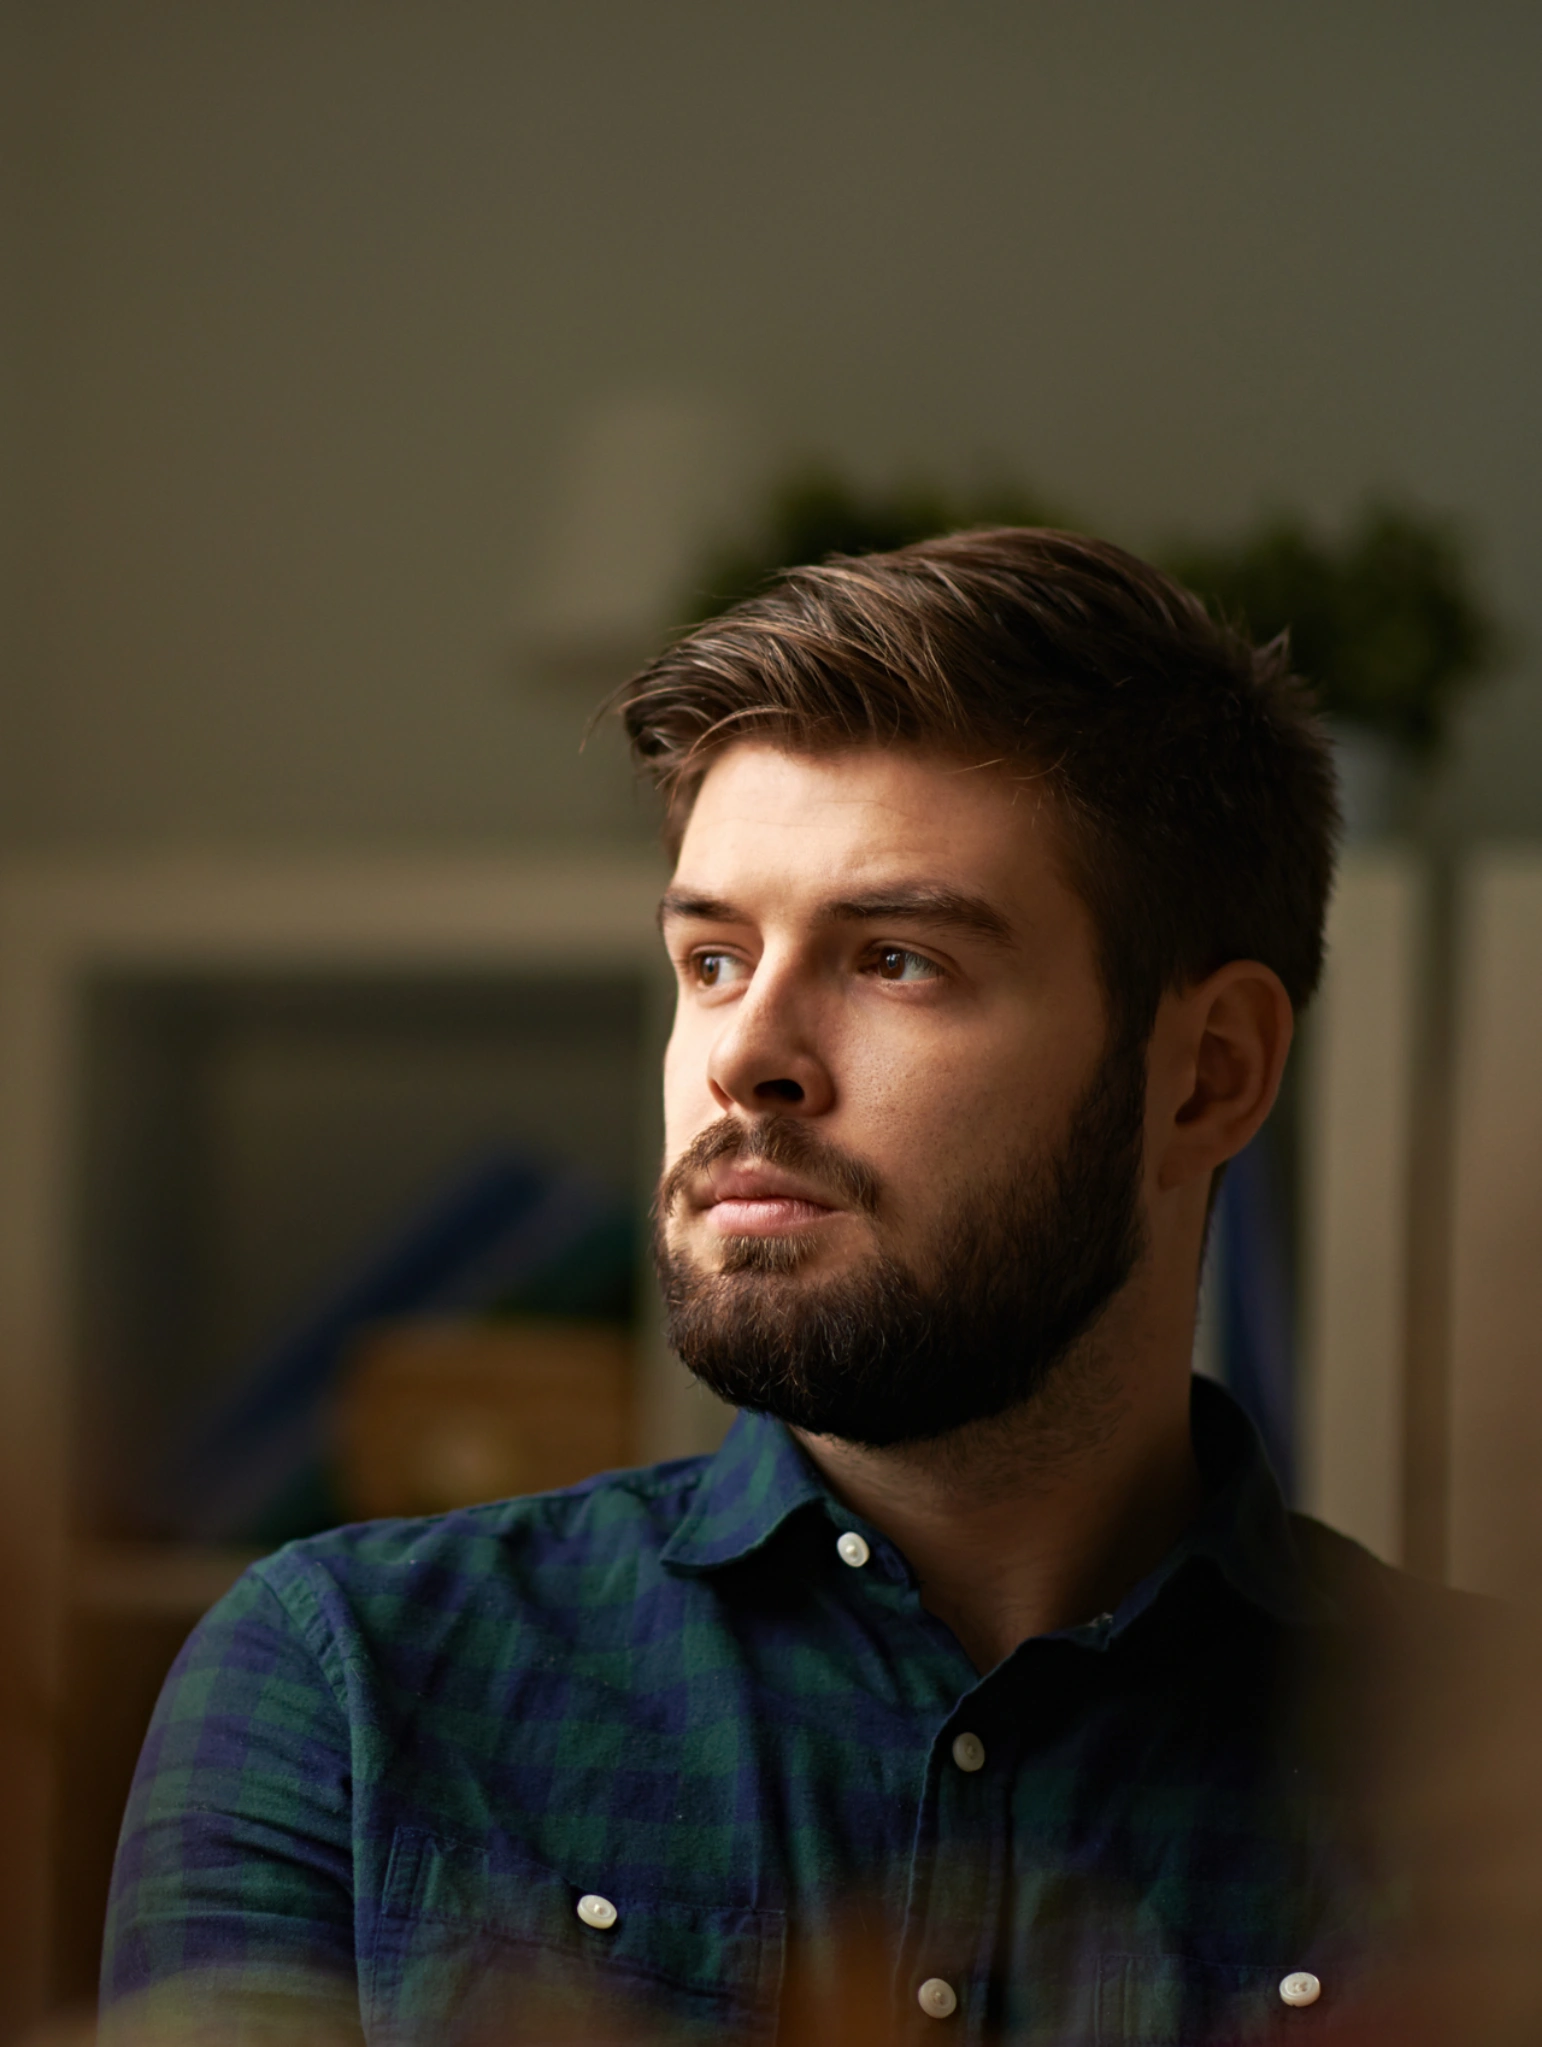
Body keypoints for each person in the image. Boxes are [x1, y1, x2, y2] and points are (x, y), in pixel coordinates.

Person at [101, 529, 1482, 2045]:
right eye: (711, 957)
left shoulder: (1485, 1769)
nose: (742, 1054)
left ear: (1206, 1073)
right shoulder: (349, 1684)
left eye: (893, 959)